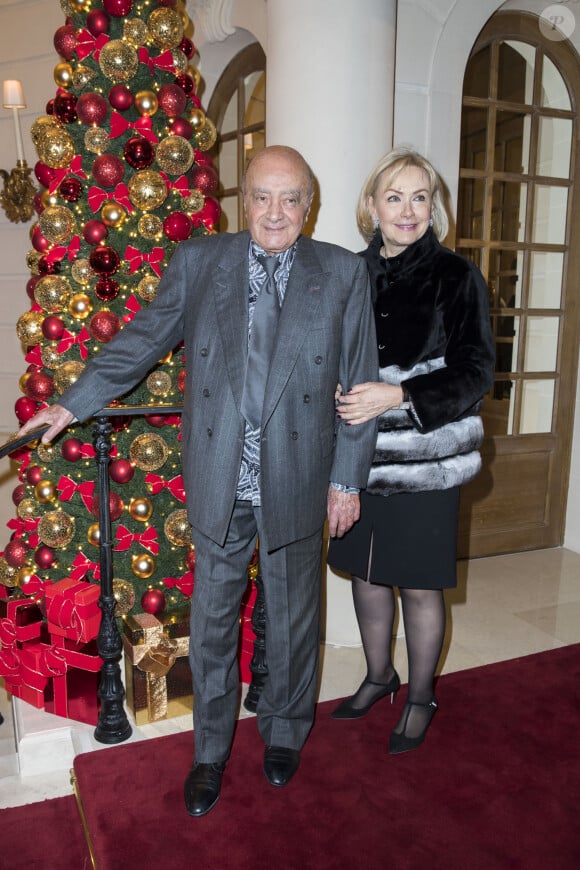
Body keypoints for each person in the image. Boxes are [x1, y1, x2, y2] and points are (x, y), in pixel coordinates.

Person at [18, 146, 378, 814]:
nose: (275, 212)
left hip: (299, 474)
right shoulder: (202, 261)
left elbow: (358, 381)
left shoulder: (341, 272)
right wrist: (73, 402)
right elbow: (143, 338)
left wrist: (348, 482)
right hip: (220, 474)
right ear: (247, 201)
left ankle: (284, 734)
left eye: (290, 198)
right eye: (264, 197)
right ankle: (210, 751)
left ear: (309, 204)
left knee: (296, 618)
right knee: (213, 623)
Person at [327, 146, 495, 754]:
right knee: (367, 574)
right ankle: (379, 675)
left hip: (426, 462)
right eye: (393, 196)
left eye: (419, 196)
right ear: (371, 207)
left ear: (434, 206)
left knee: (420, 585)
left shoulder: (456, 275)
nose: (407, 210)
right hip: (355, 456)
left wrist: (398, 393)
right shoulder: (347, 272)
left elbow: (477, 371)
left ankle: (421, 694)